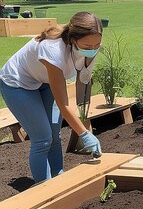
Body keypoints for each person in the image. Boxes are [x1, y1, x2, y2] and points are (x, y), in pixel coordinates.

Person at [0, 12, 103, 183]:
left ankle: (58, 178)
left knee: (55, 135)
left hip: (44, 82)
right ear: (73, 39)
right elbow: (63, 104)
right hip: (18, 83)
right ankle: (43, 188)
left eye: (97, 45)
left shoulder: (91, 45)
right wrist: (84, 134)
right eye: (87, 46)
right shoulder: (53, 49)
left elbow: (83, 80)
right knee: (42, 138)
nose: (92, 49)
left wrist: (82, 116)